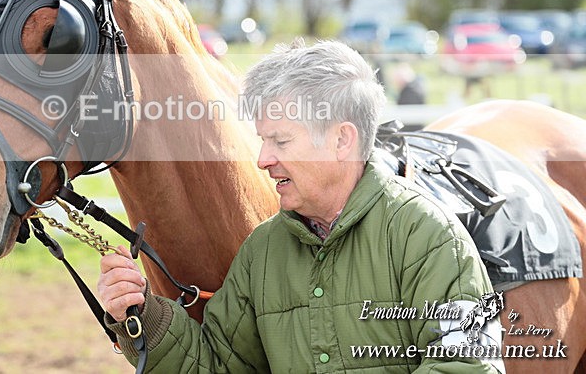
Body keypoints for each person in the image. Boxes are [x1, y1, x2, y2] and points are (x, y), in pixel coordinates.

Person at [98, 39, 503, 372]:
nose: (263, 159)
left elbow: (466, 366)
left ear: (342, 140)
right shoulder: (262, 252)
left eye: (281, 141)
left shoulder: (428, 238)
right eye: (262, 140)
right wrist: (141, 317)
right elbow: (218, 365)